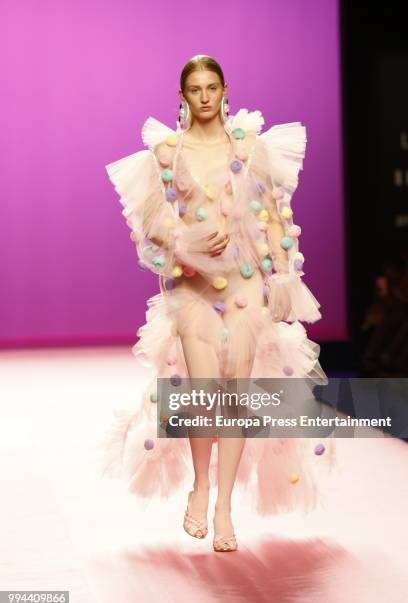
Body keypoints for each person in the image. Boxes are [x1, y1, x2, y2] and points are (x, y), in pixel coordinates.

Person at [101, 54, 336, 552]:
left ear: (225, 90)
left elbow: (275, 215)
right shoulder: (165, 154)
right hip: (192, 286)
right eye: (195, 89)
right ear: (182, 96)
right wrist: (184, 244)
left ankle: (224, 504)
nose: (204, 97)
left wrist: (285, 276)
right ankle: (201, 484)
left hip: (244, 282)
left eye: (212, 87)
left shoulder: (251, 148)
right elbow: (148, 236)